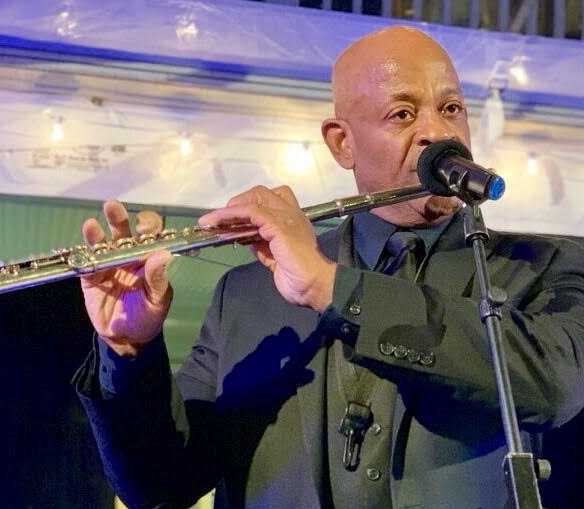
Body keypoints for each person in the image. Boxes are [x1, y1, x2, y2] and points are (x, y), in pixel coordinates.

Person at [74, 26, 584, 509]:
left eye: (451, 108)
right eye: (403, 114)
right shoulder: (246, 294)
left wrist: (328, 286)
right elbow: (158, 486)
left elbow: (555, 386)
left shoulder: (541, 268)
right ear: (343, 143)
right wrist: (128, 352)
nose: (436, 130)